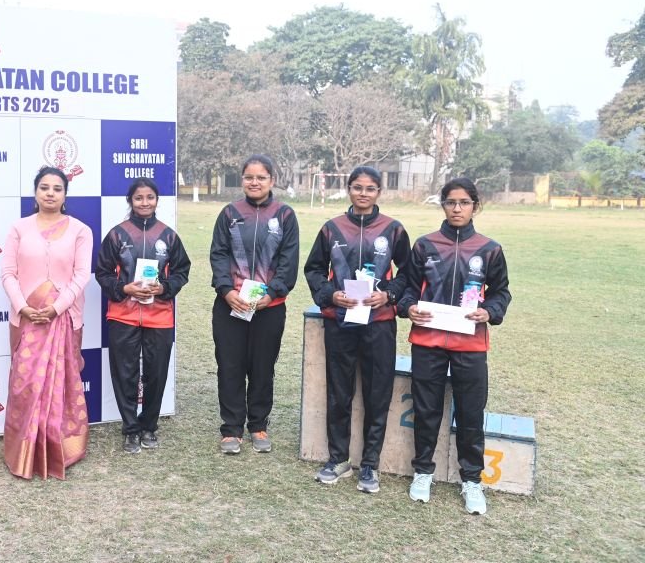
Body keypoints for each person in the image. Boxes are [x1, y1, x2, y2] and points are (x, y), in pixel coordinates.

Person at [397, 177, 511, 515]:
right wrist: (408, 308)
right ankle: (423, 472)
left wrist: (489, 311)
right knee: (426, 409)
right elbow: (406, 289)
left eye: (464, 202)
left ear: (475, 206)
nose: (457, 208)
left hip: (470, 344)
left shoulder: (490, 249)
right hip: (428, 341)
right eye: (451, 202)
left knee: (471, 413)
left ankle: (472, 480)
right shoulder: (424, 246)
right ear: (443, 205)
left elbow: (501, 293)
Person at [304, 166, 410, 493]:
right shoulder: (332, 228)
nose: (363, 193)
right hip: (341, 321)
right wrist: (330, 295)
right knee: (340, 392)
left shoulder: (393, 229)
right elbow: (313, 269)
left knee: (377, 394)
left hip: (379, 323)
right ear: (349, 189)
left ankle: (370, 465)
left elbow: (408, 274)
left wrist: (388, 294)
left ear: (379, 192)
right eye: (357, 187)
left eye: (370, 188)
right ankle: (338, 459)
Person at [0, 166, 92, 479]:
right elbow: (8, 274)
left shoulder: (80, 230)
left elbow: (82, 275)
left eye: (57, 188)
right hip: (27, 319)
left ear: (65, 194)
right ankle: (23, 450)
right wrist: (24, 307)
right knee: (25, 384)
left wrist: (56, 307)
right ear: (36, 192)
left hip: (63, 318)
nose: (50, 193)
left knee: (62, 384)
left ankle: (60, 447)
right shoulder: (19, 229)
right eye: (44, 187)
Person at [210, 154, 299, 454]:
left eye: (261, 177)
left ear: (272, 180)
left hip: (268, 308)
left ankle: (258, 425)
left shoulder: (284, 215)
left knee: (262, 367)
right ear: (242, 179)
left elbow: (288, 261)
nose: (254, 182)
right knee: (230, 365)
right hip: (231, 305)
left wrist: (271, 294)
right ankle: (231, 428)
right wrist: (226, 291)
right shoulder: (229, 213)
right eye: (249, 177)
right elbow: (218, 254)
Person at [95, 178, 191, 454]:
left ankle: (149, 426)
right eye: (139, 198)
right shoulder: (117, 235)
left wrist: (164, 288)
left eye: (150, 197)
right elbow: (102, 273)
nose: (145, 202)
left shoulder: (169, 236)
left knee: (156, 374)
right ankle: (130, 429)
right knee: (125, 374)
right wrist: (123, 288)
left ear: (157, 200)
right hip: (123, 316)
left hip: (159, 317)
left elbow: (182, 271)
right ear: (130, 201)